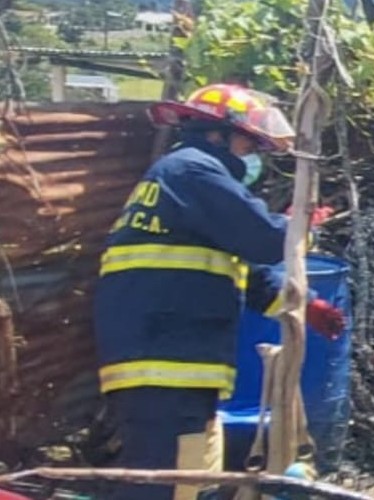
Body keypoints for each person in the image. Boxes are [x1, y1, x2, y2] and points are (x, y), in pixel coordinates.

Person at [93, 83, 345, 500]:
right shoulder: (192, 172)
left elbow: (242, 269)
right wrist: (301, 225)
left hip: (172, 359)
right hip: (166, 359)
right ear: (218, 134)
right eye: (251, 146)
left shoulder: (183, 180)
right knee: (167, 484)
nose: (253, 160)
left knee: (189, 479)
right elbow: (264, 239)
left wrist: (303, 305)